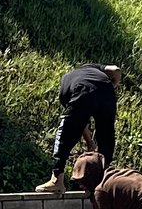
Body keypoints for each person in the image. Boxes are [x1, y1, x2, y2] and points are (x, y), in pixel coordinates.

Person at [36, 64, 122, 192]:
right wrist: (113, 85)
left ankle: (57, 181)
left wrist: (88, 141)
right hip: (107, 93)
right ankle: (103, 181)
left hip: (82, 90)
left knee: (65, 134)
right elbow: (116, 70)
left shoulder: (67, 83)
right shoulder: (94, 68)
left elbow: (76, 123)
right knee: (106, 136)